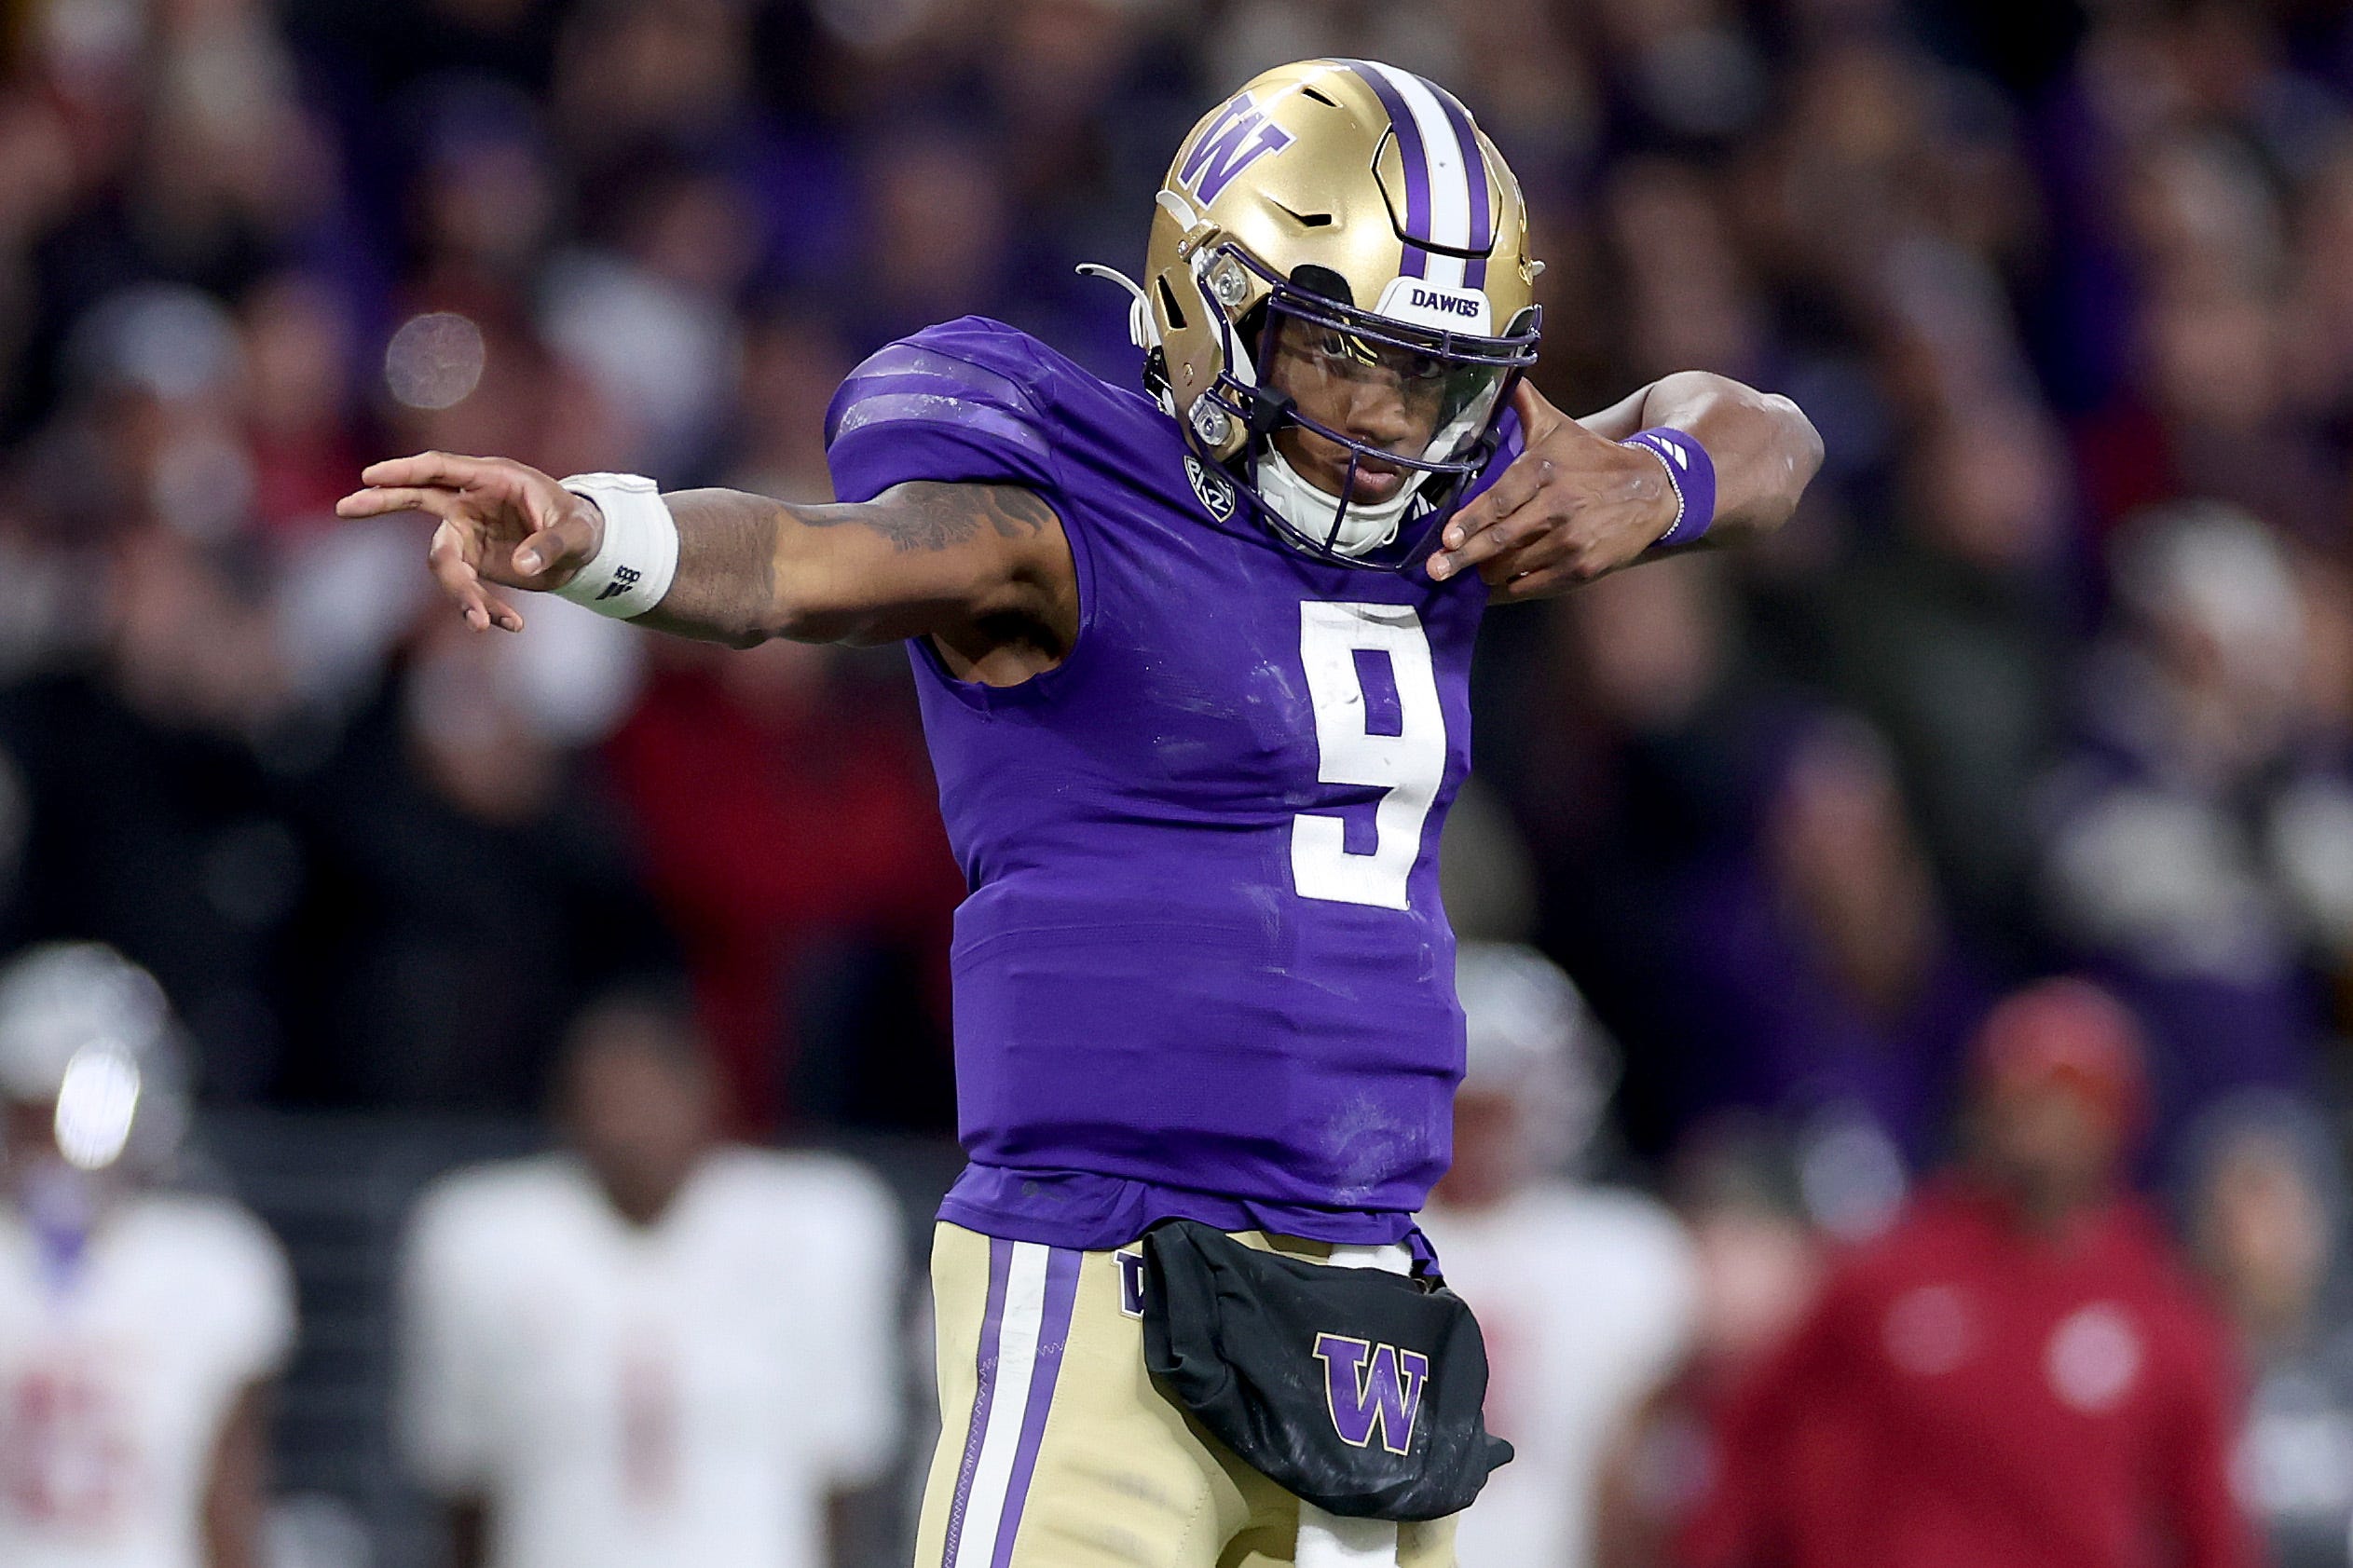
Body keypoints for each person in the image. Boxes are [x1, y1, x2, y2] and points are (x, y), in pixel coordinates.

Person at [343, 59, 1822, 1568]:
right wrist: (600, 531)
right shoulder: (1067, 515)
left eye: (1428, 373)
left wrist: (1664, 478)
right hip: (1111, 1254)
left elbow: (1772, 432)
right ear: (1211, 303)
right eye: (1338, 358)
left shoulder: (1455, 489)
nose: (1383, 421)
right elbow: (815, 560)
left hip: (1370, 1274)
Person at [1680, 977, 2255, 1568]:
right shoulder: (1892, 1269)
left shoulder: (2160, 1307)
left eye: (2054, 1097)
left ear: (2114, 1116)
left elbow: (2206, 1522)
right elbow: (1758, 1428)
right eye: (2008, 1093)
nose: (2025, 1120)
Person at [395, 989, 905, 1568]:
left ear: (705, 1094)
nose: (624, 1126)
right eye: (604, 1099)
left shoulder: (823, 1226)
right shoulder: (478, 1238)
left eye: (646, 1093)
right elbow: (463, 1486)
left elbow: (846, 1478)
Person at [0, 942, 295, 1568]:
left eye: (75, 1110)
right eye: (27, 1112)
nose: (50, 1139)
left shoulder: (212, 1262)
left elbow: (228, 1496)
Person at [1418, 943, 1698, 1568]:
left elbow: (1644, 1475)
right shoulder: (1358, 1239)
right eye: (1460, 1102)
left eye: (1498, 1105)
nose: (1475, 1131)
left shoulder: (1626, 1252)